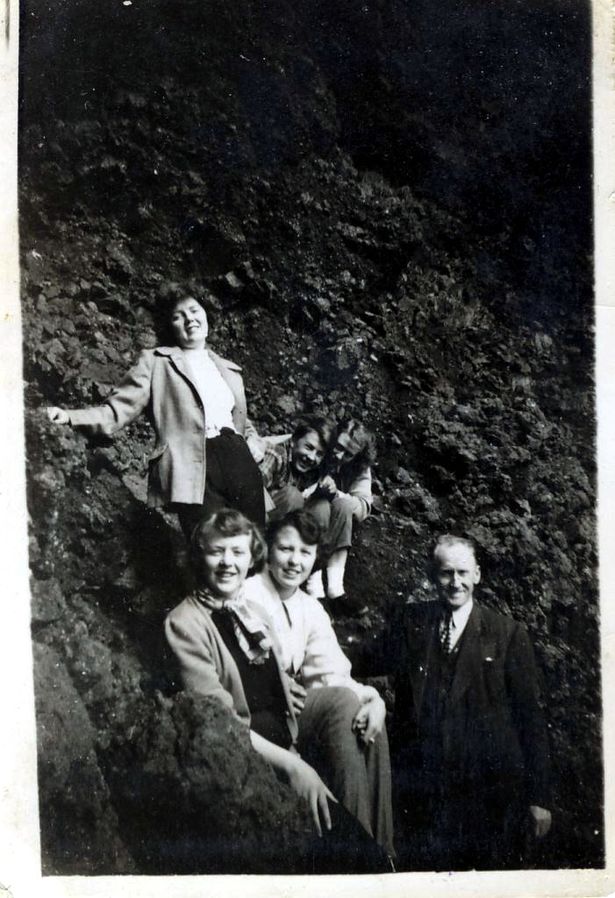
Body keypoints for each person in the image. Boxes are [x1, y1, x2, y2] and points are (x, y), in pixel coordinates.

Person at [164, 509, 390, 872]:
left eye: (237, 553)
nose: (227, 563)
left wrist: (371, 697)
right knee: (345, 845)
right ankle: (364, 854)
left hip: (286, 734)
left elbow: (298, 675)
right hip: (254, 751)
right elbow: (220, 722)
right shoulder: (185, 623)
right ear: (198, 556)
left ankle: (379, 851)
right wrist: (296, 765)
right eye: (216, 552)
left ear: (250, 556)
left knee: (355, 711)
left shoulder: (251, 611)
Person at [46, 290, 265, 539]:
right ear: (169, 326)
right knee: (210, 545)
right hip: (193, 466)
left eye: (194, 311)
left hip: (239, 459)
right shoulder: (155, 363)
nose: (189, 319)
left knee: (254, 544)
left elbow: (237, 419)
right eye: (178, 316)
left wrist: (254, 441)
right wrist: (71, 417)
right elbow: (117, 410)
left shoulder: (226, 368)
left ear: (207, 316)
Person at [391, 535, 552, 870]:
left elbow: (530, 718)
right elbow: (361, 661)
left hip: (486, 792)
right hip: (424, 788)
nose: (455, 582)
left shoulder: (507, 634)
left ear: (477, 574)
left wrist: (539, 797)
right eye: (446, 573)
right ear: (433, 575)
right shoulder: (411, 623)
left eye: (463, 572)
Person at [243, 509, 395, 858]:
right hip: (261, 711)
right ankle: (356, 852)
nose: (295, 561)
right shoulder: (249, 593)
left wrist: (374, 699)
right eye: (286, 549)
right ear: (268, 549)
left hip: (292, 706)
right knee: (342, 703)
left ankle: (384, 851)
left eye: (305, 553)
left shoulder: (309, 607)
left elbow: (330, 673)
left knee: (369, 717)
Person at [306, 419, 375, 616]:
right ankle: (314, 588)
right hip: (304, 510)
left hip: (333, 517)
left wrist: (337, 494)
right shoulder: (320, 443)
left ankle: (335, 590)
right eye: (338, 447)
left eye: (348, 454)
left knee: (344, 506)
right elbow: (291, 441)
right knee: (322, 507)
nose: (339, 455)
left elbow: (363, 507)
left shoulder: (360, 467)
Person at [258, 415, 335, 520]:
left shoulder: (313, 468)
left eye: (319, 454)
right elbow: (252, 487)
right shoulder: (277, 455)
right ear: (293, 440)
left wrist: (328, 485)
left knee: (322, 507)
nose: (312, 457)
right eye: (308, 447)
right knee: (293, 496)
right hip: (258, 518)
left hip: (286, 522)